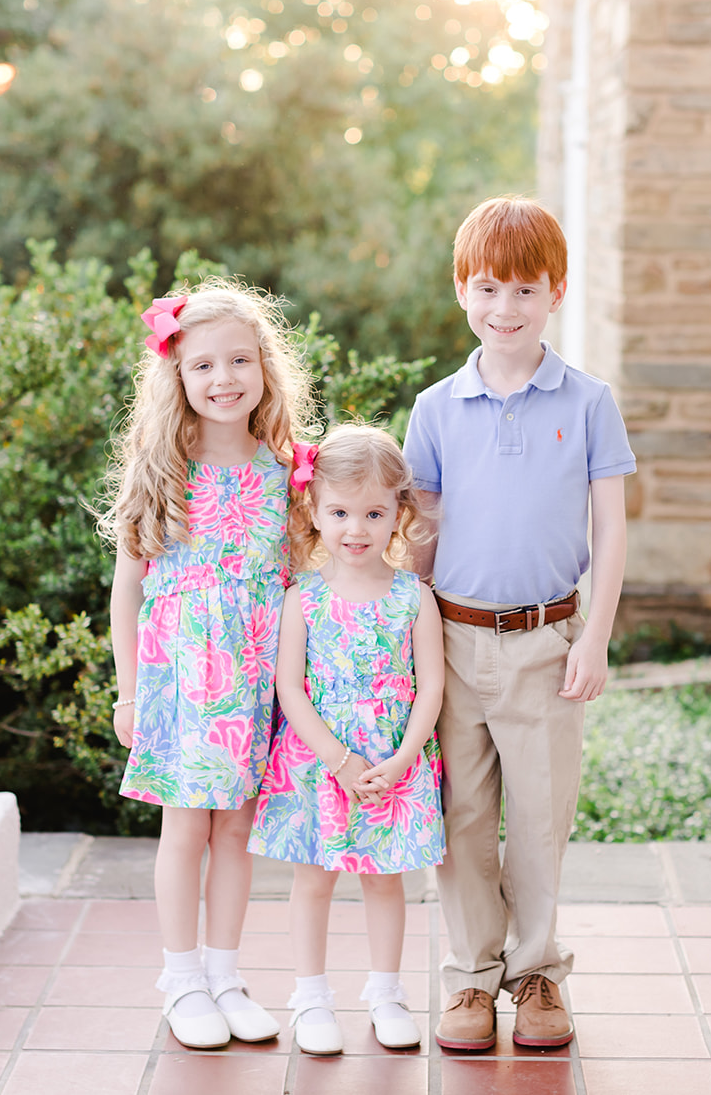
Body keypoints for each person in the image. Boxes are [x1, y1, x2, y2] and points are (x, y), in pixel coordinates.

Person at [403, 196, 635, 1051]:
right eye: (489, 287)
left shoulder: (588, 401)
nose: (506, 308)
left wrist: (596, 635)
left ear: (557, 292)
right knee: (462, 816)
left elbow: (610, 526)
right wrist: (409, 652)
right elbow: (418, 534)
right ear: (463, 290)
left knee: (539, 817)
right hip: (452, 644)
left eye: (525, 290)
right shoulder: (435, 408)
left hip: (548, 641)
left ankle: (536, 973)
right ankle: (471, 977)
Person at [103, 281, 313, 1050]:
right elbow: (128, 589)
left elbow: (296, 587)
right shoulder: (162, 468)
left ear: (265, 367)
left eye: (239, 360)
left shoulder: (286, 473)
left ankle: (226, 972)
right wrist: (129, 691)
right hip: (183, 684)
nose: (223, 378)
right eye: (202, 365)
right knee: (185, 828)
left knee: (237, 831)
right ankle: (181, 976)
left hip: (256, 682)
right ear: (177, 377)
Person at [248, 424, 446, 1055]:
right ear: (313, 509)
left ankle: (386, 993)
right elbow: (290, 690)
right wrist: (337, 759)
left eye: (373, 512)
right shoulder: (302, 598)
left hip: (394, 763)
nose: (355, 528)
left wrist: (400, 760)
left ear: (398, 515)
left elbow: (431, 688)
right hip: (319, 764)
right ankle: (310, 998)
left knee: (386, 880)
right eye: (339, 512)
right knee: (313, 879)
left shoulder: (414, 599)